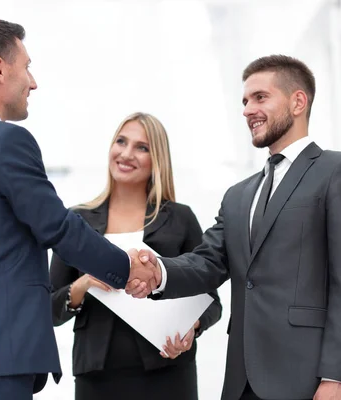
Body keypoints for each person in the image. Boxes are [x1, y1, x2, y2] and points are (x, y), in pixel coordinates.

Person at [0, 18, 158, 400]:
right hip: (1, 360)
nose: (33, 81)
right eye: (27, 67)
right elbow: (57, 228)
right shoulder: (6, 142)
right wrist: (126, 270)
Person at [131, 55, 341, 400]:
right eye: (245, 101)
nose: (247, 110)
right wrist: (157, 272)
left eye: (260, 97)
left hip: (312, 379)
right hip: (242, 380)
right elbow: (208, 261)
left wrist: (339, 375)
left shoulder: (340, 171)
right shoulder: (238, 195)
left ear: (298, 102)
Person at [50, 112, 222, 400]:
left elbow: (211, 302)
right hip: (97, 377)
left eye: (142, 147)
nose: (127, 153)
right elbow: (48, 308)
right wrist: (84, 284)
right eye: (121, 141)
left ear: (157, 160)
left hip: (168, 372)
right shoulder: (77, 222)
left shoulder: (179, 218)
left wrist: (192, 328)